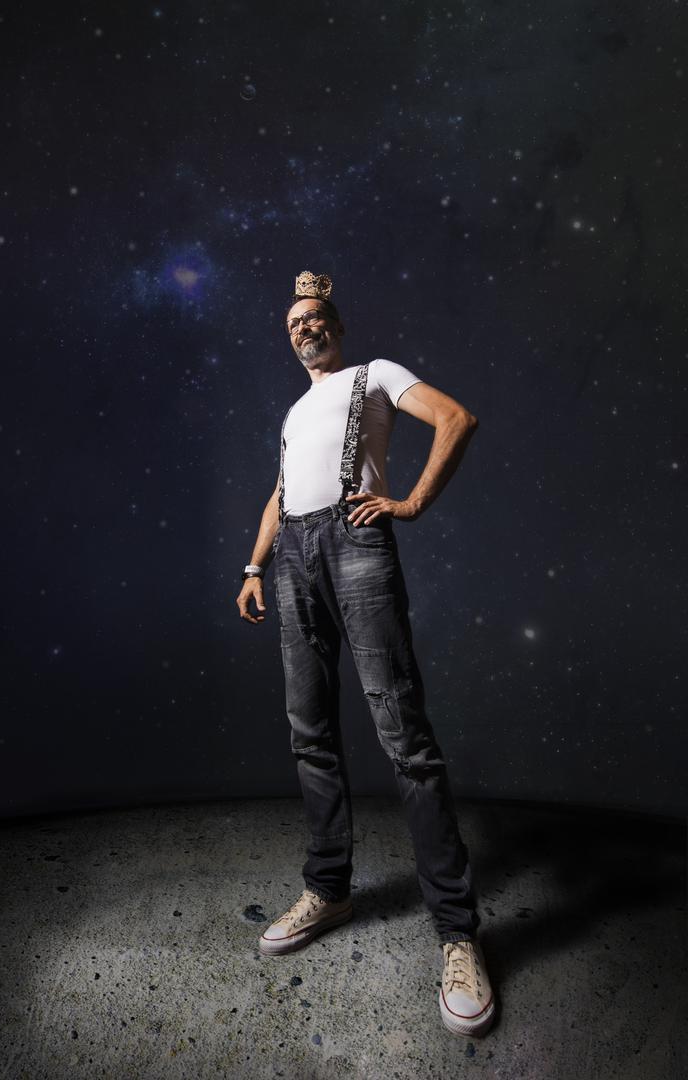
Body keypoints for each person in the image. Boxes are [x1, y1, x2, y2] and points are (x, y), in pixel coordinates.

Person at [235, 270, 495, 1038]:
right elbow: (281, 492)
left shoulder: (373, 375)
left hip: (356, 545)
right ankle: (329, 889)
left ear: (336, 324)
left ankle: (457, 934)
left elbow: (456, 418)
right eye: (293, 322)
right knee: (308, 731)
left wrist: (409, 502)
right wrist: (254, 566)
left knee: (404, 739)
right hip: (292, 558)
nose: (303, 328)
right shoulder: (294, 411)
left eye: (313, 317)